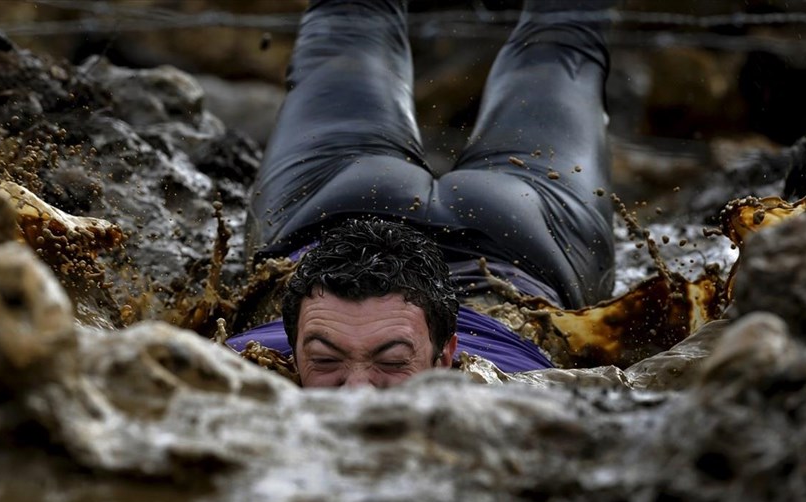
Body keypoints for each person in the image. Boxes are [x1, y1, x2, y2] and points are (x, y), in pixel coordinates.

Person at [226, 0, 617, 387]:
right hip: (520, 241)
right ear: (292, 356)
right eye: (325, 361)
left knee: (566, 39)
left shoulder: (237, 381)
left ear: (448, 357)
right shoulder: (513, 401)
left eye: (392, 362)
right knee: (566, 35)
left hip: (332, 204)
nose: (357, 394)